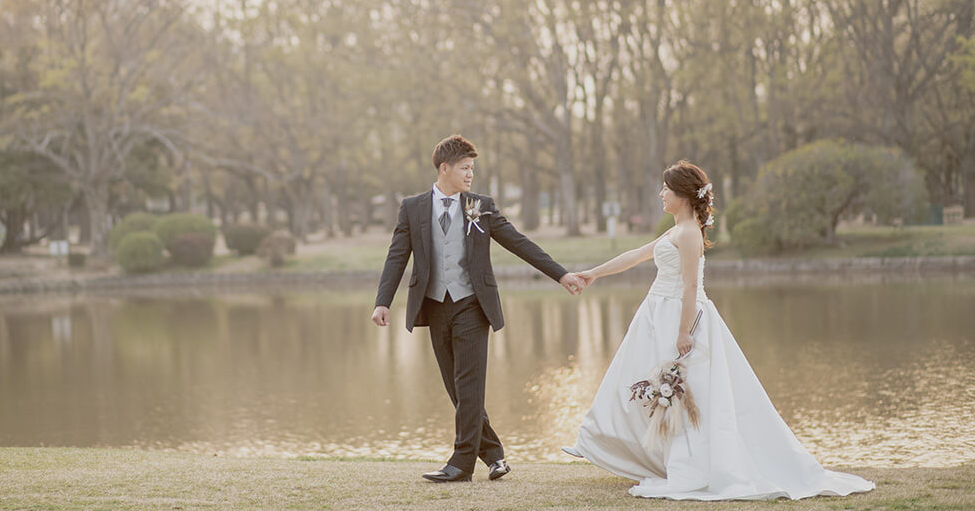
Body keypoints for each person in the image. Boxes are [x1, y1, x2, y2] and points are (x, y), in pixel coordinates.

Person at [564, 160, 875, 500]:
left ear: (683, 195)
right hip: (656, 314)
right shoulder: (675, 230)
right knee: (633, 379)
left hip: (678, 318)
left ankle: (688, 464)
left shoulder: (688, 234)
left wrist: (683, 333)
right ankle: (599, 440)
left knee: (685, 393)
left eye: (666, 189)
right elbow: (636, 254)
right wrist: (592, 273)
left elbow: (690, 287)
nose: (661, 194)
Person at [371, 134, 582, 483]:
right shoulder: (413, 207)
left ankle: (460, 464)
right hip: (434, 305)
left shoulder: (480, 205)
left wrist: (560, 274)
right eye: (465, 168)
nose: (471, 174)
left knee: (469, 385)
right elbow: (397, 255)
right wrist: (382, 301)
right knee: (456, 389)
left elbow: (517, 241)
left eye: (473, 168)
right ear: (444, 168)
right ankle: (494, 454)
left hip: (472, 304)